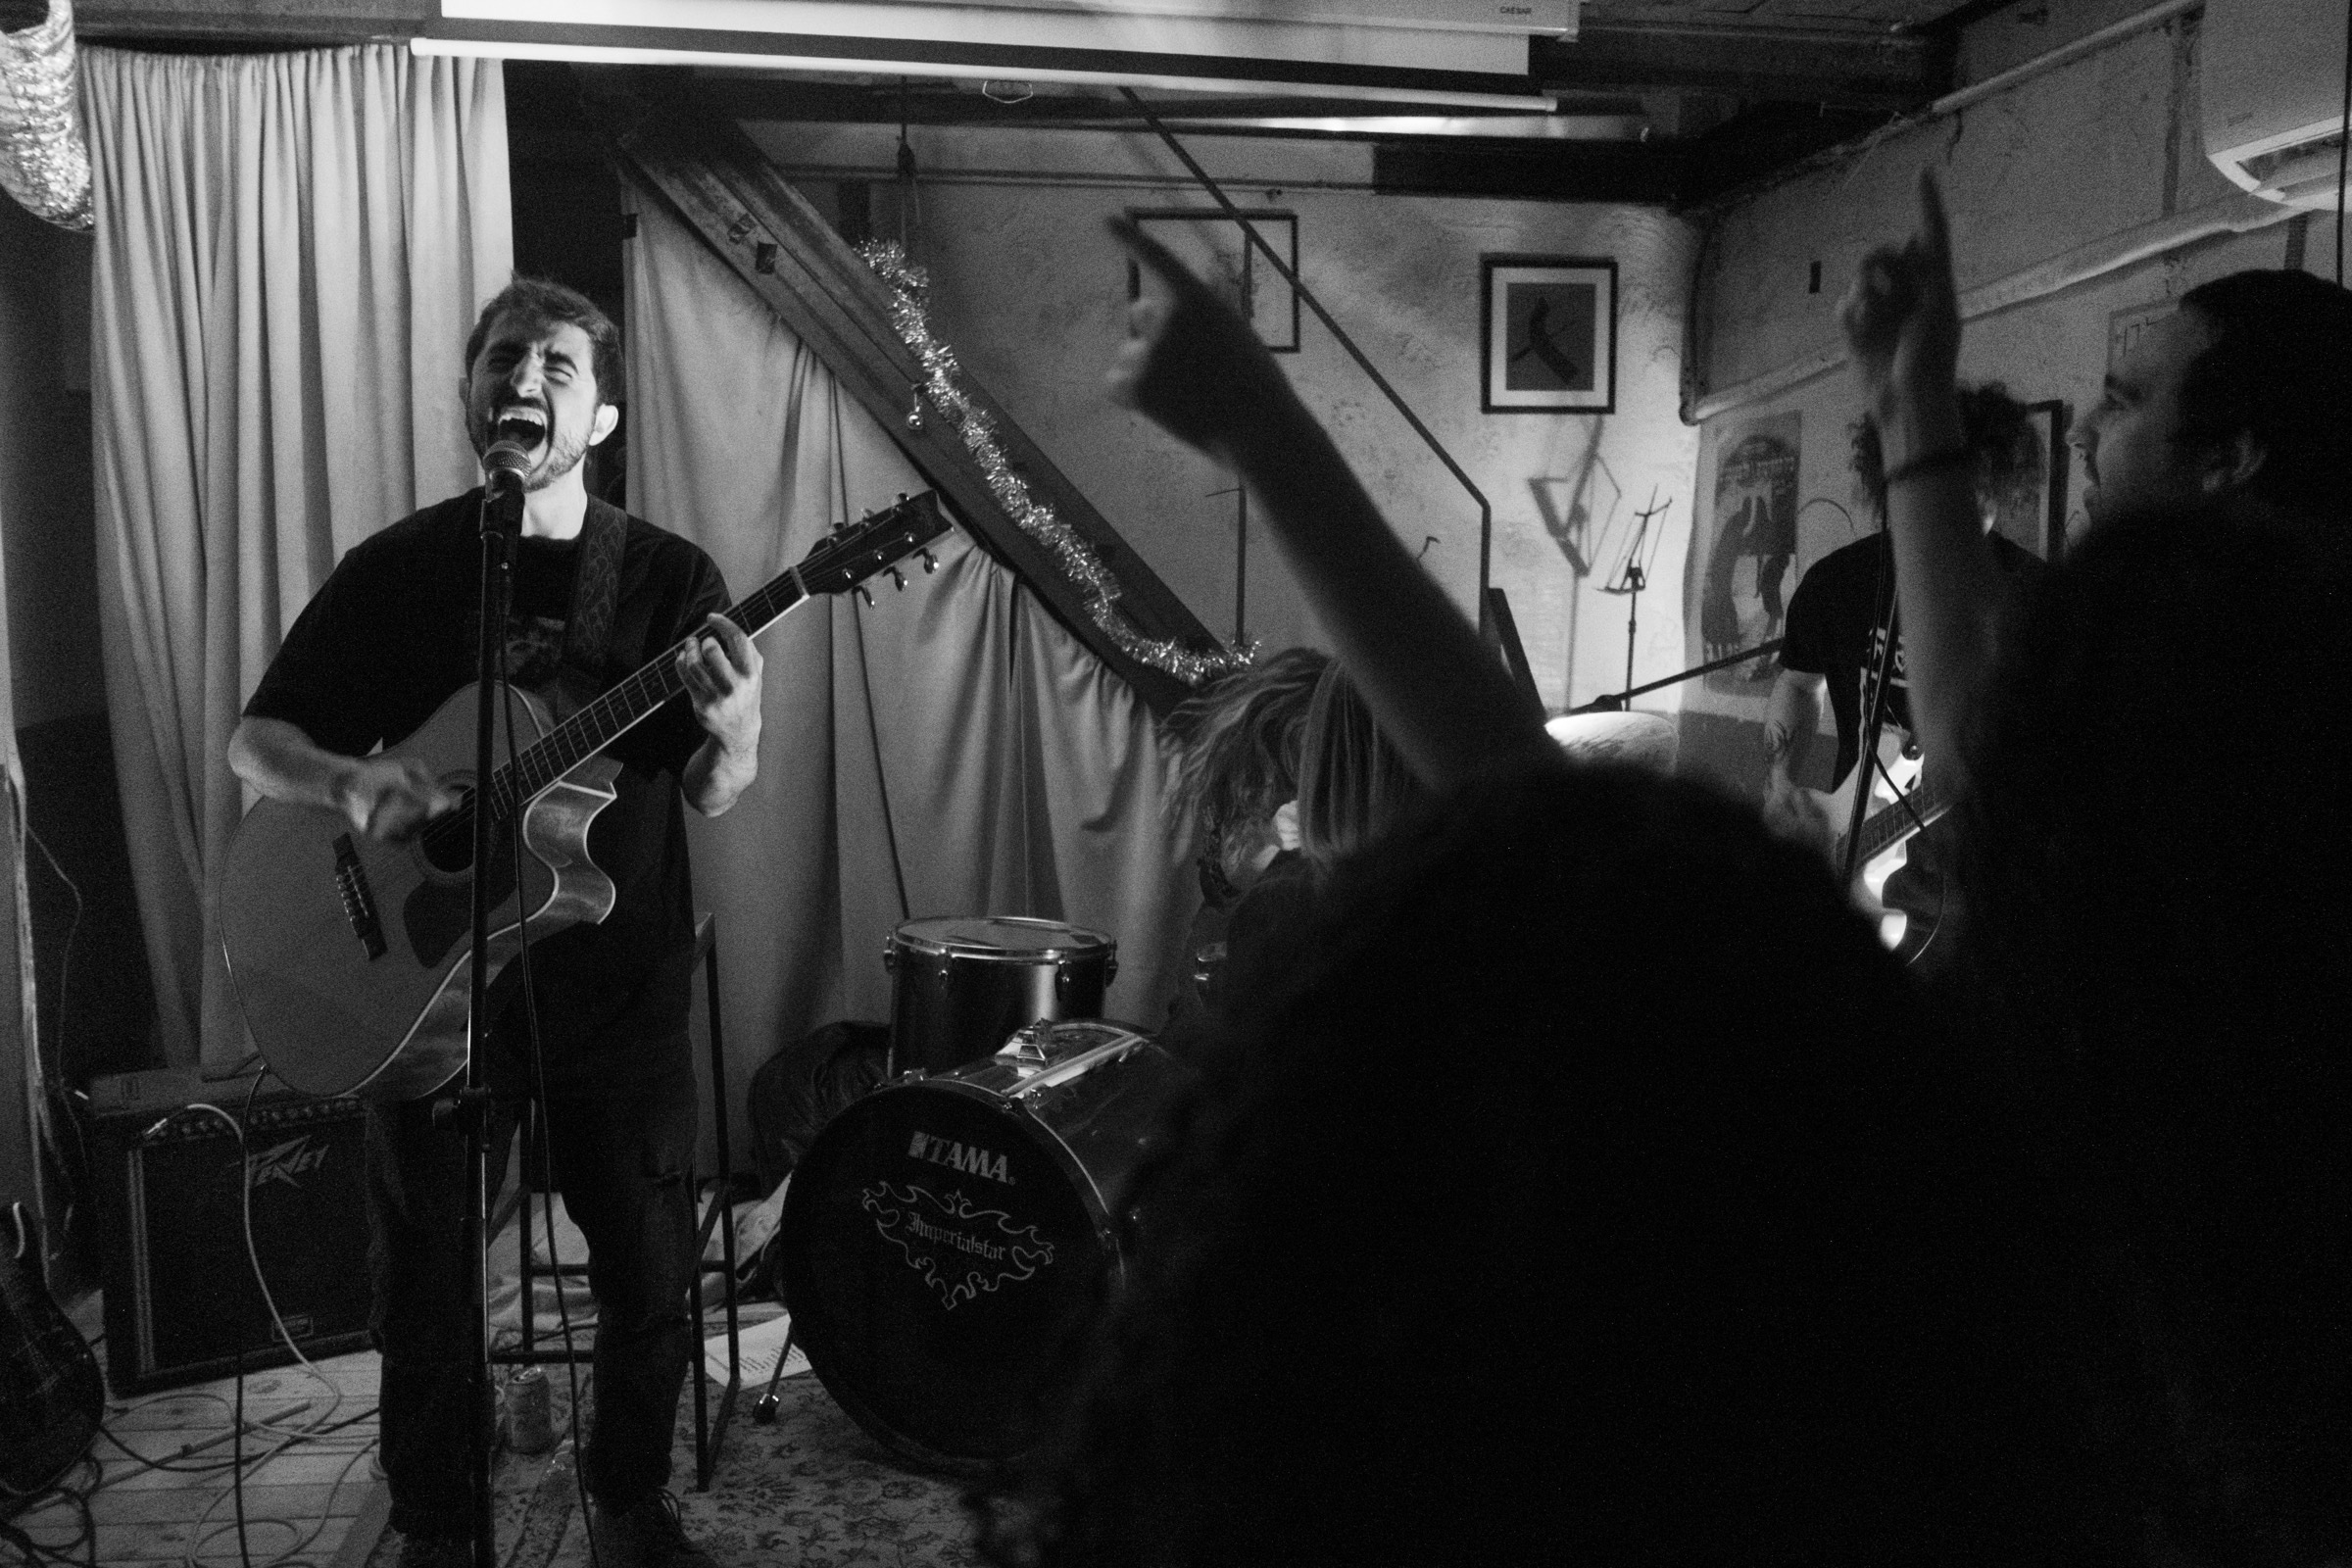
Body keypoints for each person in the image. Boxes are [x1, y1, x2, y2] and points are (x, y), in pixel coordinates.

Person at [227, 278, 761, 1568]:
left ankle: (626, 1496)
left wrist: (737, 728)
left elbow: (713, 787)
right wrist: (354, 783)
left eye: (558, 365)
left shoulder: (666, 579)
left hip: (613, 990)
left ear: (603, 414)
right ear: (472, 395)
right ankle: (439, 1526)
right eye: (504, 359)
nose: (527, 377)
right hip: (420, 994)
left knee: (643, 1275)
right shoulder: (401, 570)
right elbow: (258, 741)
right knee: (424, 1289)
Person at [1841, 174, 2352, 775]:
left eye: (2122, 403)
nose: (2081, 433)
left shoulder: (2227, 674)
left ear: (2227, 459)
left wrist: (1912, 408)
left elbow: (1976, 722)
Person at [1760, 386, 2045, 960]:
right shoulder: (1837, 581)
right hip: (1855, 835)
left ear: (1996, 480)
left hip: (1972, 875)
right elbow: (1797, 681)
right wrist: (1781, 776)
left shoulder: (2033, 599)